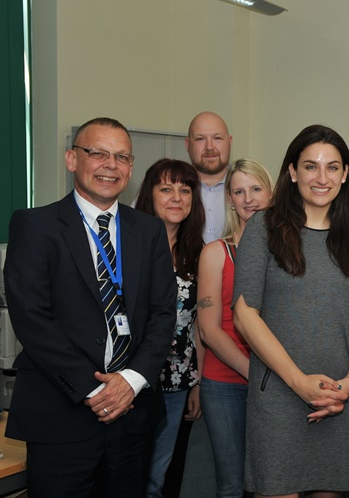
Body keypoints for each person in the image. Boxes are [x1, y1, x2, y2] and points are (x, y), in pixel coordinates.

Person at [3, 117, 176, 497]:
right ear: (71, 160)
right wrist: (91, 389)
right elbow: (31, 318)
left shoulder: (148, 231)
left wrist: (130, 382)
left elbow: (164, 314)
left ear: (131, 167)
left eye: (121, 157)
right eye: (98, 153)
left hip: (133, 416)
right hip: (60, 415)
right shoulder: (35, 226)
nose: (110, 165)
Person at [233, 125, 349, 497]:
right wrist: (298, 380)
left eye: (333, 167)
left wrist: (347, 385)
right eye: (311, 166)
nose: (322, 177)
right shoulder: (263, 228)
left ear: (346, 174)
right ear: (292, 172)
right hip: (280, 394)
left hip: (338, 397)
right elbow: (244, 314)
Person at [196, 159, 273, 498]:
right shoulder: (215, 253)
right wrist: (253, 372)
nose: (248, 199)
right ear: (229, 198)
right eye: (239, 191)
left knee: (273, 483)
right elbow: (209, 330)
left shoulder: (289, 256)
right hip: (225, 384)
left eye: (256, 189)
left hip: (277, 385)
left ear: (271, 193)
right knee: (232, 485)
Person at [135, 159, 205, 498]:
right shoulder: (129, 250)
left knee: (157, 478)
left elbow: (199, 327)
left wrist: (197, 383)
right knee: (127, 471)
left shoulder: (200, 254)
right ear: (150, 195)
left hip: (177, 382)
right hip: (132, 381)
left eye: (185, 190)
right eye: (166, 188)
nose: (176, 197)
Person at [185, 111, 233, 242]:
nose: (210, 147)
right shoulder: (164, 187)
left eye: (217, 138)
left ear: (229, 142)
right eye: (200, 139)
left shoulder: (251, 188)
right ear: (187, 145)